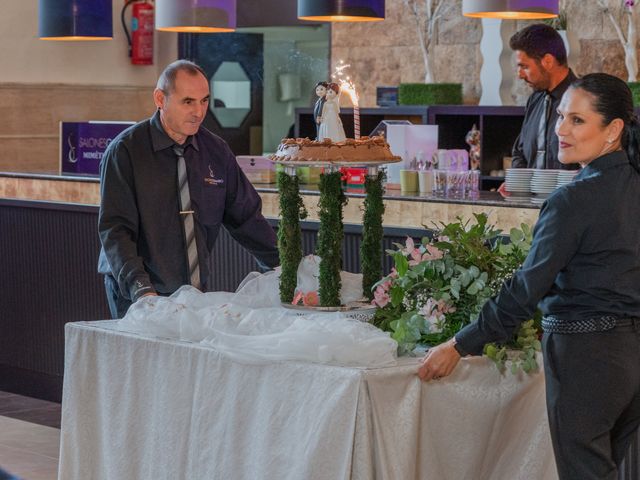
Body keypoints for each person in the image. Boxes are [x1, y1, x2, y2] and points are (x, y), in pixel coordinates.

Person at [418, 73, 640, 479]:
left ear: (614, 130)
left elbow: (524, 290)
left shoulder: (573, 200)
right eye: (560, 117)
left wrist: (458, 344)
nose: (560, 130)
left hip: (587, 358)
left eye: (577, 120)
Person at [98, 60, 279, 319]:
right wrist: (141, 291)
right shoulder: (125, 151)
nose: (199, 111)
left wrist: (284, 269)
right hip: (137, 291)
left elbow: (247, 217)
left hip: (193, 292)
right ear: (160, 99)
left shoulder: (216, 151)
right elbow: (116, 231)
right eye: (188, 102)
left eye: (204, 100)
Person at [510, 23, 578, 170]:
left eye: (524, 66)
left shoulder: (586, 99)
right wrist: (518, 183)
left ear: (548, 61)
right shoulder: (534, 100)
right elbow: (519, 152)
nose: (519, 75)